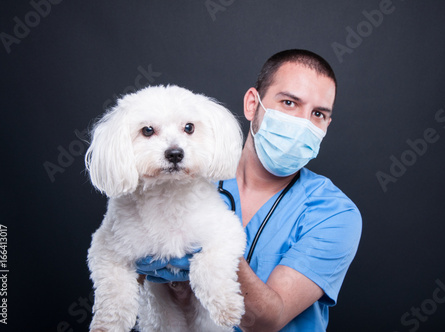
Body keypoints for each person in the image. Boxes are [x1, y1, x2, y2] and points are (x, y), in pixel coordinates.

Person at [136, 49, 362, 331]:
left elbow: (269, 321)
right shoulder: (185, 176)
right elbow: (135, 275)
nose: (304, 123)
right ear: (252, 105)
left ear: (326, 125)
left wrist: (214, 246)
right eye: (290, 103)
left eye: (318, 114)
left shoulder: (334, 214)